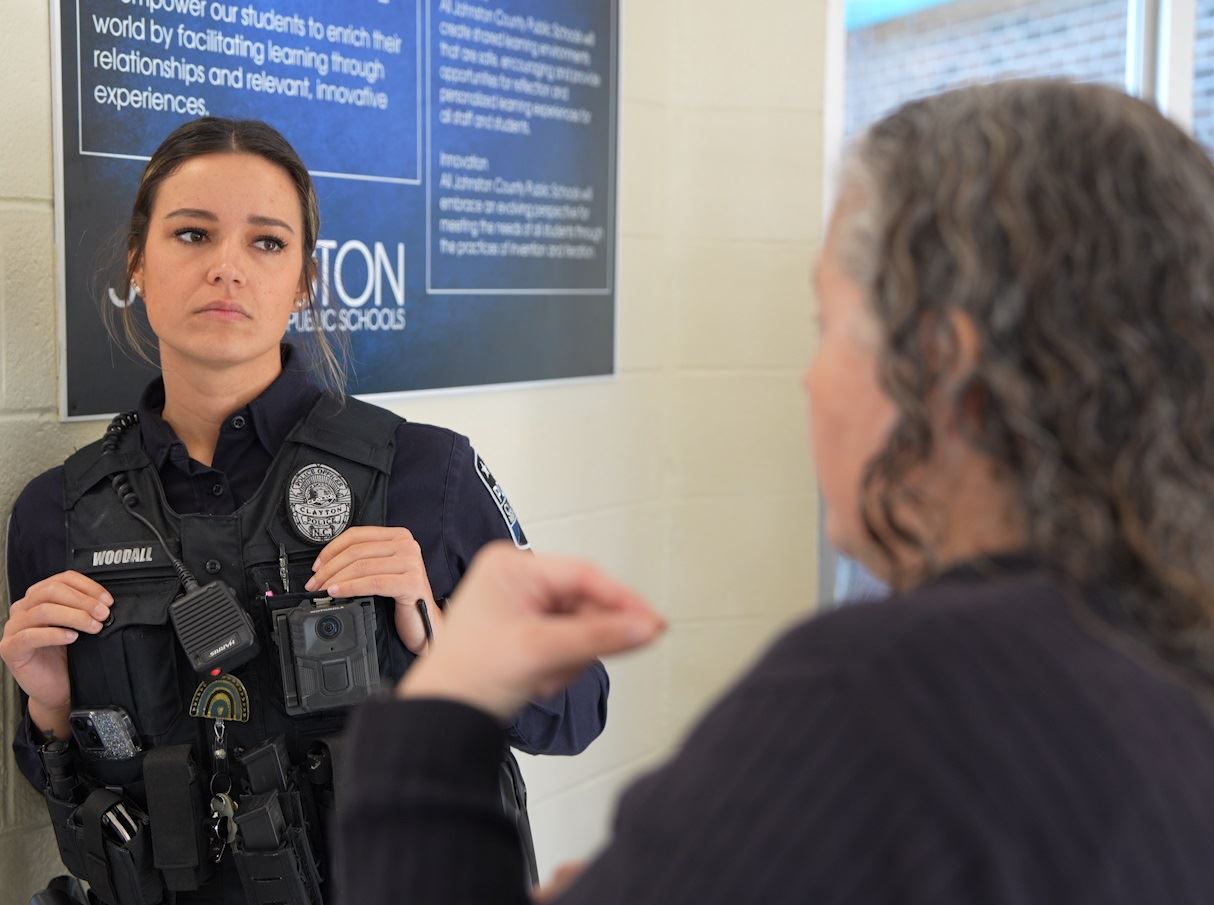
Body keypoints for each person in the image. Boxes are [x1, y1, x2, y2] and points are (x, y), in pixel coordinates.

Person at [336, 79, 1214, 904]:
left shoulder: (881, 699)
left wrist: (444, 710)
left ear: (939, 365)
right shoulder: (1171, 649)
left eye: (826, 326)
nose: (807, 380)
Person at [0, 117, 608, 904]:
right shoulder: (58, 512)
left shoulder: (428, 471)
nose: (227, 268)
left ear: (304, 280)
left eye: (266, 242)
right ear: (137, 265)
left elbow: (579, 706)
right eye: (191, 234)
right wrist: (49, 706)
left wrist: (440, 633)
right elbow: (76, 788)